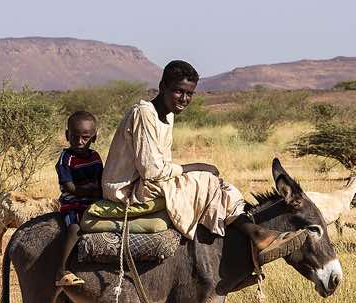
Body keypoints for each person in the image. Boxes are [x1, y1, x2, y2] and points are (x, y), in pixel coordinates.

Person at [102, 60, 301, 266]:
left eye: (189, 94)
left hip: (148, 182)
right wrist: (196, 167)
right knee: (205, 180)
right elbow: (152, 170)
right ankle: (254, 233)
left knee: (219, 184)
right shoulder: (144, 113)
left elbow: (159, 167)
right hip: (125, 189)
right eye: (179, 92)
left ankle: (253, 233)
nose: (184, 99)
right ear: (162, 87)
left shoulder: (168, 115)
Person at [55, 111, 103, 287]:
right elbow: (69, 187)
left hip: (94, 202)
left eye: (85, 137)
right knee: (75, 227)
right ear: (67, 135)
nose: (80, 142)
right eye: (74, 137)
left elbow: (101, 179)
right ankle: (61, 269)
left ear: (94, 137)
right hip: (73, 203)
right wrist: (91, 191)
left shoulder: (95, 158)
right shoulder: (66, 159)